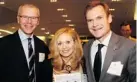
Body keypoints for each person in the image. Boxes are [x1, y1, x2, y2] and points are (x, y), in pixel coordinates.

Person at [83, 0, 136, 82]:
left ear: (109, 18)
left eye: (99, 18)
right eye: (90, 20)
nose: (94, 24)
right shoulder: (86, 47)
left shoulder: (130, 47)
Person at [0, 4, 52, 82]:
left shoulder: (42, 46)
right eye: (25, 17)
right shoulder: (3, 44)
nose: (29, 22)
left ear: (38, 21)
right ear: (18, 19)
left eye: (33, 18)